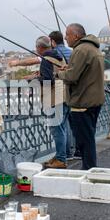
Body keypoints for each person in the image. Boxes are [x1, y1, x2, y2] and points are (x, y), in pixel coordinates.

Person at [9, 36, 68, 169]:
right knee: (62, 128)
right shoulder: (59, 56)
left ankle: (61, 159)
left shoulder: (46, 59)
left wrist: (32, 81)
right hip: (65, 95)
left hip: (55, 97)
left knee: (56, 129)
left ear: (40, 48)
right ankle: (61, 156)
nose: (36, 49)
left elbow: (48, 80)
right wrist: (37, 75)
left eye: (36, 47)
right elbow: (53, 74)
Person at [57, 23, 105, 170]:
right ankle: (90, 168)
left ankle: (89, 170)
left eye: (67, 34)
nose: (65, 37)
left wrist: (58, 73)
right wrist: (69, 67)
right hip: (94, 101)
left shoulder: (80, 50)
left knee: (85, 140)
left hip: (83, 102)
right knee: (89, 138)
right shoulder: (93, 48)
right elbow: (84, 71)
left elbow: (72, 77)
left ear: (76, 35)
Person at [49, 31, 79, 161]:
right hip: (72, 93)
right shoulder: (72, 52)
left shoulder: (53, 54)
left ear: (52, 41)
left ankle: (62, 156)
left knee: (59, 126)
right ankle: (71, 152)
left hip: (59, 92)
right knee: (68, 125)